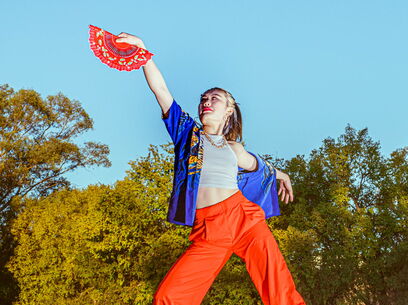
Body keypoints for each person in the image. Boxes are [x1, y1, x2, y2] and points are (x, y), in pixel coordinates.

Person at [116, 32, 306, 305]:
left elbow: (259, 167)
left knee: (279, 291)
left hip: (244, 219)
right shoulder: (188, 134)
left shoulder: (235, 149)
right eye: (203, 98)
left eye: (215, 98)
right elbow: (161, 91)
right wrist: (143, 52)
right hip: (209, 228)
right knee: (169, 296)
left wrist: (282, 174)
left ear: (229, 109)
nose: (206, 101)